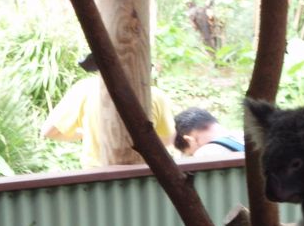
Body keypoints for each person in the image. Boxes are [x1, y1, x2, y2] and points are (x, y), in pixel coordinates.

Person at [41, 53, 175, 168]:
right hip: (142, 176)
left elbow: (49, 131)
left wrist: (86, 132)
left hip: (97, 178)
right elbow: (167, 139)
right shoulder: (154, 95)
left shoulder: (85, 89)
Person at [173, 107, 244, 159]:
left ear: (189, 141)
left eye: (190, 154)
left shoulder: (205, 153)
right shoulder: (244, 137)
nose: (192, 155)